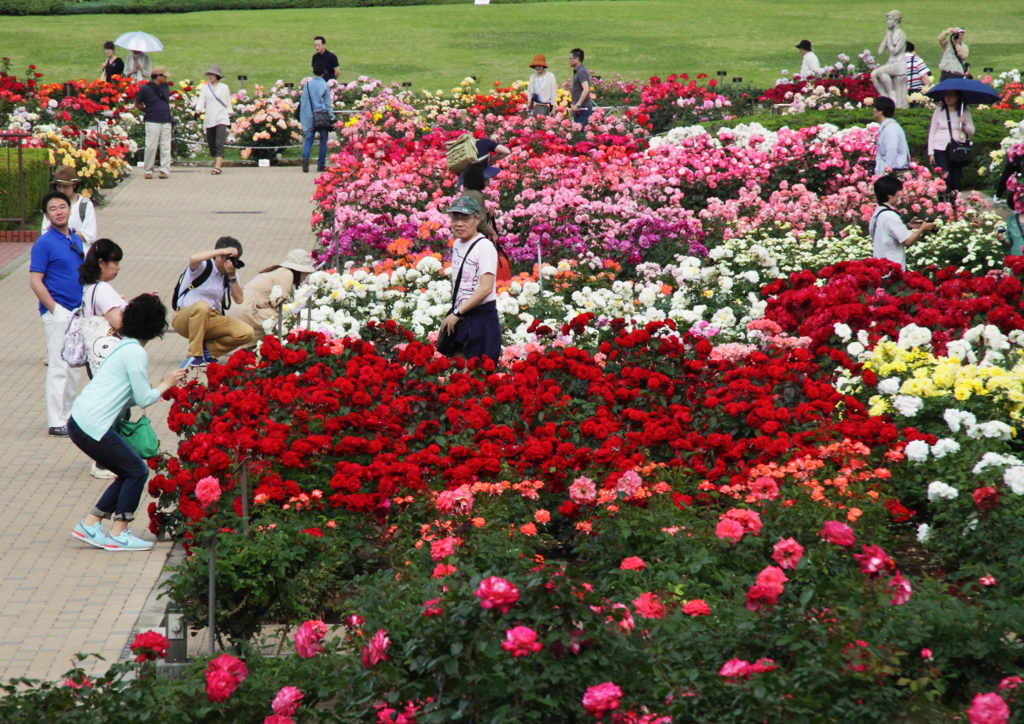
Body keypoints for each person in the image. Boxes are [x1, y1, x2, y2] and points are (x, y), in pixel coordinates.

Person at [69, 294, 188, 552]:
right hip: (93, 425)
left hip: (82, 421)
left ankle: (90, 524)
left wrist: (155, 386)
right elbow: (144, 399)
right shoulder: (135, 353)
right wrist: (166, 383)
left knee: (127, 471)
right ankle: (119, 534)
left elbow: (129, 396)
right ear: (156, 328)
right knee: (137, 470)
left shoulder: (124, 346)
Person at [29, 191, 85, 437]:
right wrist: (55, 309)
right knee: (59, 366)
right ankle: (56, 420)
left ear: (70, 209)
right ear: (47, 215)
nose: (59, 211)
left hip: (78, 312)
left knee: (74, 366)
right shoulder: (44, 242)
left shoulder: (75, 239)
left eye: (63, 206)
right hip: (58, 313)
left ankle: (69, 416)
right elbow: (35, 281)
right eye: (53, 208)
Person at [77, 238, 127, 480]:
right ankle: (102, 461)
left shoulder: (90, 287)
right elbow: (117, 322)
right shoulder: (104, 289)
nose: (117, 267)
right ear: (101, 263)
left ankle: (107, 459)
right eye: (114, 262)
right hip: (107, 356)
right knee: (113, 409)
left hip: (94, 355)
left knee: (110, 407)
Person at [171, 236, 253, 369]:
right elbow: (193, 258)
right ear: (219, 256)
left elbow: (239, 299)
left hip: (211, 318)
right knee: (203, 307)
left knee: (246, 332)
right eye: (230, 259)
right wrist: (222, 251)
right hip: (185, 317)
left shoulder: (231, 273)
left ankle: (208, 351)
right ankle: (194, 355)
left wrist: (232, 276)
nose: (232, 263)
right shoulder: (204, 266)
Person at [439, 196, 501, 364]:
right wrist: (457, 313)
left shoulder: (484, 246)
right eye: (455, 218)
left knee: (477, 375)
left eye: (465, 218)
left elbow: (486, 288)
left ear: (477, 219)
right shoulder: (457, 244)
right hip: (461, 315)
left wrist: (457, 313)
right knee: (456, 371)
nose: (459, 223)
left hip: (480, 317)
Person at [227, 248, 315, 339]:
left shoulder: (281, 271)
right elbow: (282, 305)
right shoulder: (287, 273)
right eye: (305, 274)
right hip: (247, 310)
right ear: (299, 271)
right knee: (284, 318)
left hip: (240, 308)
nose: (305, 277)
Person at [869, 175, 935, 270]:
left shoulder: (878, 212)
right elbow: (907, 241)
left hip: (879, 266)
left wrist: (909, 226)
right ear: (889, 195)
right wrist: (922, 228)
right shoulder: (890, 216)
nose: (899, 194)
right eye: (897, 191)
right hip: (892, 268)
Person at [927, 90, 975, 195]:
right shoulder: (939, 111)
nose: (948, 98)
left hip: (957, 148)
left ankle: (956, 204)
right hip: (940, 147)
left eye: (951, 96)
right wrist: (931, 153)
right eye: (946, 95)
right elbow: (932, 132)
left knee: (956, 179)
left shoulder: (964, 111)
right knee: (945, 177)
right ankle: (945, 202)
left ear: (958, 97)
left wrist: (964, 123)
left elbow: (971, 131)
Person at [41, 165, 97, 248]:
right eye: (59, 187)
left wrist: (64, 231)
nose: (61, 191)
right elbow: (45, 233)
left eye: (66, 187)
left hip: (81, 254)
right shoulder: (51, 205)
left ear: (74, 185)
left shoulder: (85, 204)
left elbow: (90, 236)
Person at [134, 66, 173, 180]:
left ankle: (164, 170)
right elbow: (137, 103)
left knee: (165, 146)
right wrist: (147, 110)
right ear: (158, 76)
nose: (166, 78)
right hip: (152, 120)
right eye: (164, 76)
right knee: (151, 146)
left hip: (165, 119)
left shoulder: (165, 86)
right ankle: (148, 170)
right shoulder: (145, 88)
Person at [195, 64, 232, 176]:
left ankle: (218, 167)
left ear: (217, 76)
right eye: (209, 74)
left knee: (219, 141)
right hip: (210, 118)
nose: (210, 76)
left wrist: (229, 114)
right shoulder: (205, 88)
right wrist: (197, 111)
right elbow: (201, 101)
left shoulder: (224, 87)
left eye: (212, 74)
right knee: (212, 144)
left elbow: (227, 102)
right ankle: (215, 163)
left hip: (221, 117)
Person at [299, 62, 334, 173]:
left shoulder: (308, 85)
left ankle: (305, 159)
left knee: (309, 138)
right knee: (323, 140)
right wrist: (331, 117)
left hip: (310, 116)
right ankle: (321, 165)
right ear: (323, 73)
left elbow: (303, 102)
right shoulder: (325, 85)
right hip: (322, 116)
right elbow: (327, 104)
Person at [870, 10, 908, 109]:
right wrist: (887, 37)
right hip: (890, 64)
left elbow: (894, 51)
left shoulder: (902, 35)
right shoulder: (889, 34)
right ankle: (884, 95)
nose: (888, 22)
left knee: (881, 71)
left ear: (896, 21)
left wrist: (889, 38)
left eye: (890, 20)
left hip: (899, 66)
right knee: (873, 74)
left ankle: (891, 93)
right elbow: (880, 51)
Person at [872, 96, 909, 176]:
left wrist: (887, 172)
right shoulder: (887, 127)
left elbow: (891, 151)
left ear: (880, 111)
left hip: (893, 172)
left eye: (875, 108)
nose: (873, 110)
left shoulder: (890, 129)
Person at [569, 48, 595, 129]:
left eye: (570, 58)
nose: (569, 61)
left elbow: (586, 89)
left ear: (576, 60)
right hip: (579, 109)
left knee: (580, 133)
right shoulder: (578, 71)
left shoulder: (581, 72)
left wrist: (578, 104)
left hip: (583, 108)